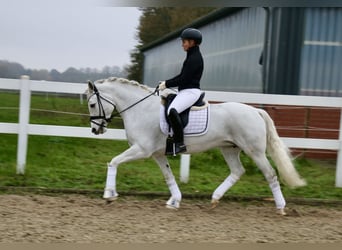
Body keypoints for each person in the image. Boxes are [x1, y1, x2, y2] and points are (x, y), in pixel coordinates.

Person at [158, 28, 204, 155]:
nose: (182, 44)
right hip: (185, 91)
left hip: (191, 92)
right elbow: (182, 76)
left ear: (192, 42)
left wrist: (167, 84)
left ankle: (179, 143)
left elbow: (184, 78)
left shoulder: (195, 58)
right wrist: (166, 83)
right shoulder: (191, 56)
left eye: (185, 41)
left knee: (172, 110)